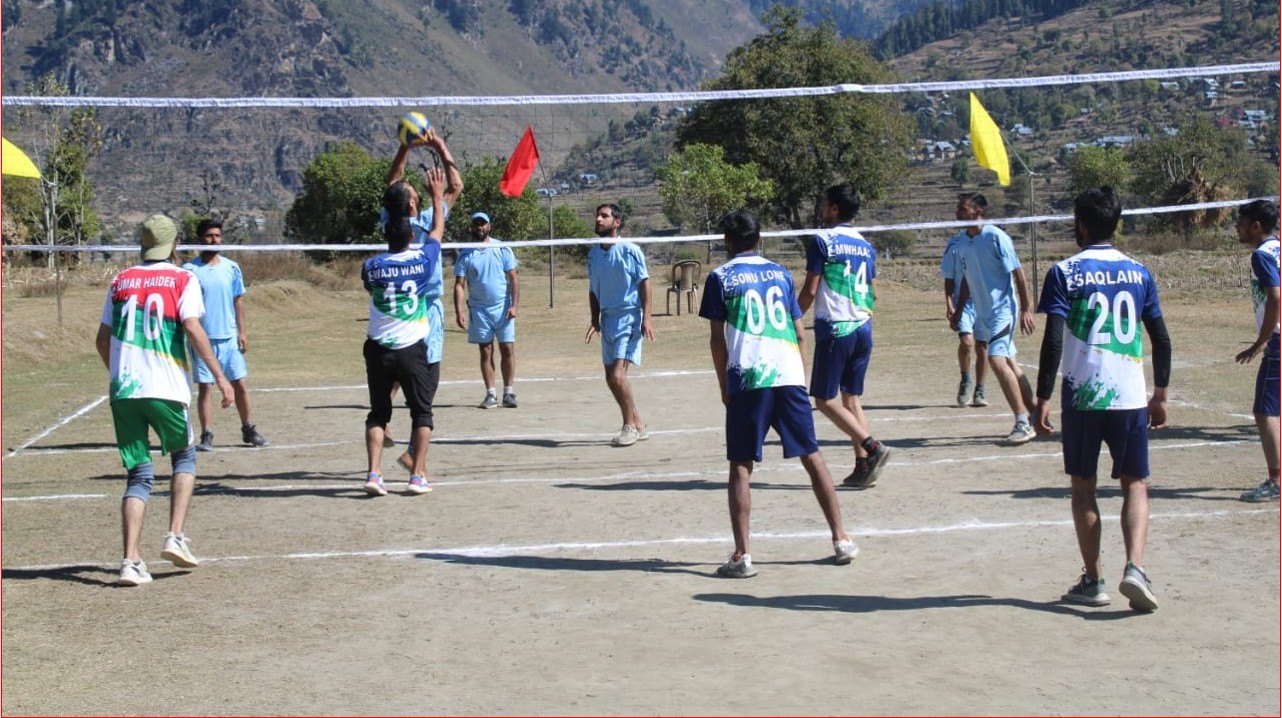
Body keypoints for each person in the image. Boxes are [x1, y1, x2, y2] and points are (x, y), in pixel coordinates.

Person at [1033, 187, 1171, 613]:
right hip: (1129, 395)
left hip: (1083, 394)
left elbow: (1054, 340)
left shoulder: (1064, 272)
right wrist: (1160, 393)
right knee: (1136, 483)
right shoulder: (1139, 272)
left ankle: (1093, 580)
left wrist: (1040, 398)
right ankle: (1136, 567)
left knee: (1083, 485)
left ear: (1081, 223)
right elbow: (1161, 339)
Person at [699, 209, 858, 578]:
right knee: (813, 456)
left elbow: (717, 340)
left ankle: (743, 555)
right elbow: (800, 331)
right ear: (760, 238)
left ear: (727, 242)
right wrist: (799, 376)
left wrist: (725, 386)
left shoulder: (720, 277)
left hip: (749, 377)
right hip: (787, 376)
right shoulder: (782, 273)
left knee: (741, 464)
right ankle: (841, 539)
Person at [96, 214, 234, 586]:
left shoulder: (120, 280)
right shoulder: (182, 277)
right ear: (174, 245)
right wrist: (220, 375)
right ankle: (174, 535)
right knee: (184, 457)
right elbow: (191, 326)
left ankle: (130, 561)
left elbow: (102, 340)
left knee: (138, 474)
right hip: (166, 388)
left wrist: (120, 372)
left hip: (124, 391)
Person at [797, 184, 892, 489]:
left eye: (825, 203)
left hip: (837, 327)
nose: (822, 208)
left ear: (835, 207)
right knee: (851, 399)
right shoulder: (865, 244)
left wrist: (791, 316)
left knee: (824, 400)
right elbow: (875, 290)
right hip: (863, 326)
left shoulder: (823, 240)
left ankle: (873, 447)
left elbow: (811, 289)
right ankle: (863, 464)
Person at [361, 167, 447, 497]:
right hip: (412, 347)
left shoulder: (372, 265)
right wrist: (437, 197)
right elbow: (437, 230)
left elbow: (373, 292)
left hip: (378, 347)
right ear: (412, 236)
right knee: (421, 413)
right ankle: (416, 477)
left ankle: (374, 474)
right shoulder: (424, 260)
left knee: (378, 413)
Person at [383, 130, 463, 470]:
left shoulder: (417, 219)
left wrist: (435, 145)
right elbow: (395, 183)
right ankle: (411, 449)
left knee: (407, 372)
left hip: (416, 305)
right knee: (424, 377)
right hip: (415, 305)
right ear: (411, 201)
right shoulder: (407, 219)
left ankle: (399, 437)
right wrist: (413, 145)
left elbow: (455, 186)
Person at [950, 193, 1038, 445]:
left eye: (964, 208)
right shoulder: (963, 243)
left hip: (1003, 311)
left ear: (979, 212)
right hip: (982, 313)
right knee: (1011, 364)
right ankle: (1036, 414)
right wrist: (958, 310)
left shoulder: (996, 237)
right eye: (958, 208)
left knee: (996, 359)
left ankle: (1022, 421)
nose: (958, 212)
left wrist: (1025, 309)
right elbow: (966, 278)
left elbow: (1018, 273)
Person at [182, 219, 267, 451]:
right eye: (209, 236)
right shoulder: (189, 271)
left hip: (229, 338)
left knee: (239, 383)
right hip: (202, 340)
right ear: (200, 239)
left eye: (218, 236)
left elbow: (238, 300)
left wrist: (242, 332)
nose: (214, 240)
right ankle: (207, 434)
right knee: (206, 387)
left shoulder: (231, 267)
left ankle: (248, 428)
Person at [585, 203, 654, 447]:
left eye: (604, 216)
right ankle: (639, 424)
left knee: (617, 375)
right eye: (597, 215)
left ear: (617, 222)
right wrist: (595, 318)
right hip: (608, 318)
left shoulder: (630, 250)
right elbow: (593, 290)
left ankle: (628, 427)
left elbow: (644, 283)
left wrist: (647, 317)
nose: (598, 219)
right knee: (610, 378)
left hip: (629, 317)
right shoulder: (593, 255)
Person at [1232, 199, 1281, 502]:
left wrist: (1261, 341)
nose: (1236, 226)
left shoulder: (1262, 256)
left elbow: (1275, 297)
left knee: (1265, 411)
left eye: (1241, 221)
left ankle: (1276, 480)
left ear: (1256, 226)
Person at [454, 211, 519, 409]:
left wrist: (514, 305)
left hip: (502, 307)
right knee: (485, 350)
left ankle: (509, 392)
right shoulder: (465, 254)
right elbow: (459, 284)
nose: (480, 228)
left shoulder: (502, 248)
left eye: (483, 224)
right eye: (476, 224)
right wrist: (459, 312)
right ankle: (491, 394)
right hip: (479, 310)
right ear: (471, 227)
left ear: (489, 226)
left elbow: (513, 279)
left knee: (507, 348)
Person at [941, 216, 990, 407]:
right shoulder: (956, 244)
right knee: (967, 342)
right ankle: (965, 379)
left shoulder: (990, 241)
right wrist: (949, 303)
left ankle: (980, 390)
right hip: (963, 303)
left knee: (982, 347)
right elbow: (949, 276)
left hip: (984, 302)